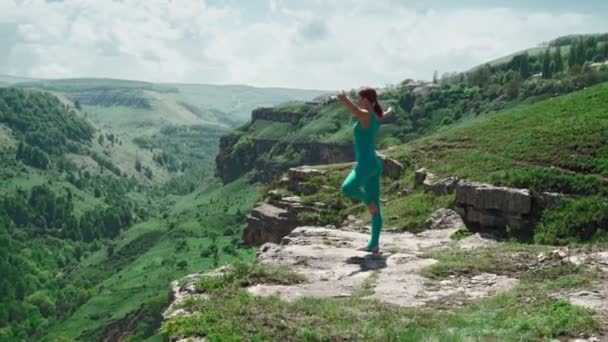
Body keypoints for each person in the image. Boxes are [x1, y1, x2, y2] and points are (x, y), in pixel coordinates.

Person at [337, 87, 391, 254]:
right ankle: (374, 245)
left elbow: (354, 110)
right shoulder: (375, 115)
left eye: (362, 98)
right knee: (376, 210)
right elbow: (384, 115)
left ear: (369, 100)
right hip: (374, 164)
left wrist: (344, 99)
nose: (360, 101)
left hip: (366, 165)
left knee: (347, 189)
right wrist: (390, 110)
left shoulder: (366, 115)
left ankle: (369, 202)